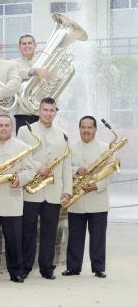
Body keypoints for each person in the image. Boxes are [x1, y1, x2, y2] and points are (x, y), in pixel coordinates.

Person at [18, 97, 72, 280]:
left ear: (56, 112)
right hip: (32, 190)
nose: (48, 113)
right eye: (45, 110)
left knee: (50, 232)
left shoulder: (63, 134)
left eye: (51, 110)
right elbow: (21, 156)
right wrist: (37, 167)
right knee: (28, 231)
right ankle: (25, 267)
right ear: (38, 111)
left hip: (53, 191)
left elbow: (66, 164)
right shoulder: (25, 130)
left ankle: (46, 268)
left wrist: (68, 190)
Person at [0, 115, 35, 283]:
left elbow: (30, 171)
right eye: (0, 125)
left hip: (12, 198)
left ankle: (16, 272)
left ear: (12, 128)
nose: (3, 128)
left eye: (7, 125)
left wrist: (21, 179)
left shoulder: (23, 147)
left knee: (14, 240)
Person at [62, 116, 112, 279]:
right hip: (77, 199)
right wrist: (77, 169)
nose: (86, 130)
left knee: (98, 237)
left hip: (97, 198)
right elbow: (66, 169)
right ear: (79, 129)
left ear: (95, 129)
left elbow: (110, 172)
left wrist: (97, 186)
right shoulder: (71, 148)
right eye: (83, 127)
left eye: (89, 127)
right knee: (75, 236)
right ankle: (73, 267)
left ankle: (99, 268)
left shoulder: (105, 148)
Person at [13, 34, 50, 133]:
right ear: (19, 47)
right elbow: (16, 73)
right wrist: (34, 71)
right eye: (24, 44)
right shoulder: (13, 63)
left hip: (43, 112)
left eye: (29, 43)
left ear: (35, 45)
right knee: (24, 142)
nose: (27, 46)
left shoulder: (45, 60)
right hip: (23, 112)